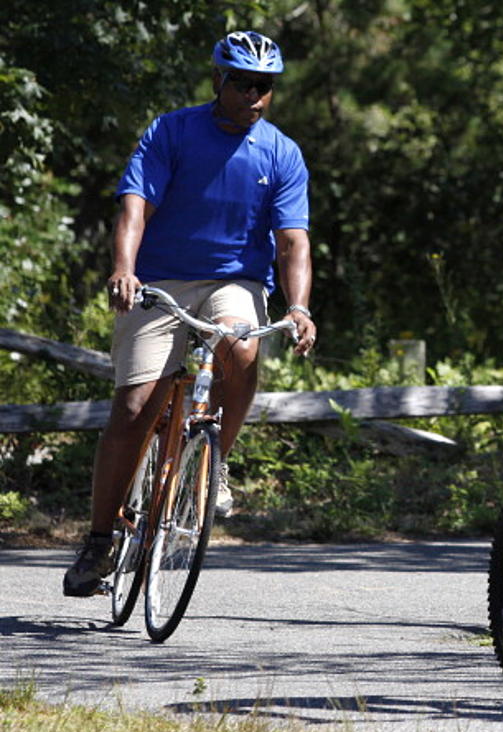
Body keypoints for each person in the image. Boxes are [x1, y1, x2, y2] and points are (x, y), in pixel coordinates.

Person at [63, 30, 317, 598]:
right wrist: (125, 269)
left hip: (236, 281)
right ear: (217, 81)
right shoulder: (171, 131)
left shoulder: (281, 152)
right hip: (160, 280)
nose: (255, 95)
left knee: (241, 346)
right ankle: (99, 541)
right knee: (133, 407)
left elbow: (293, 243)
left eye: (265, 86)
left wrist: (298, 306)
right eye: (243, 83)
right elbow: (134, 207)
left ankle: (215, 459)